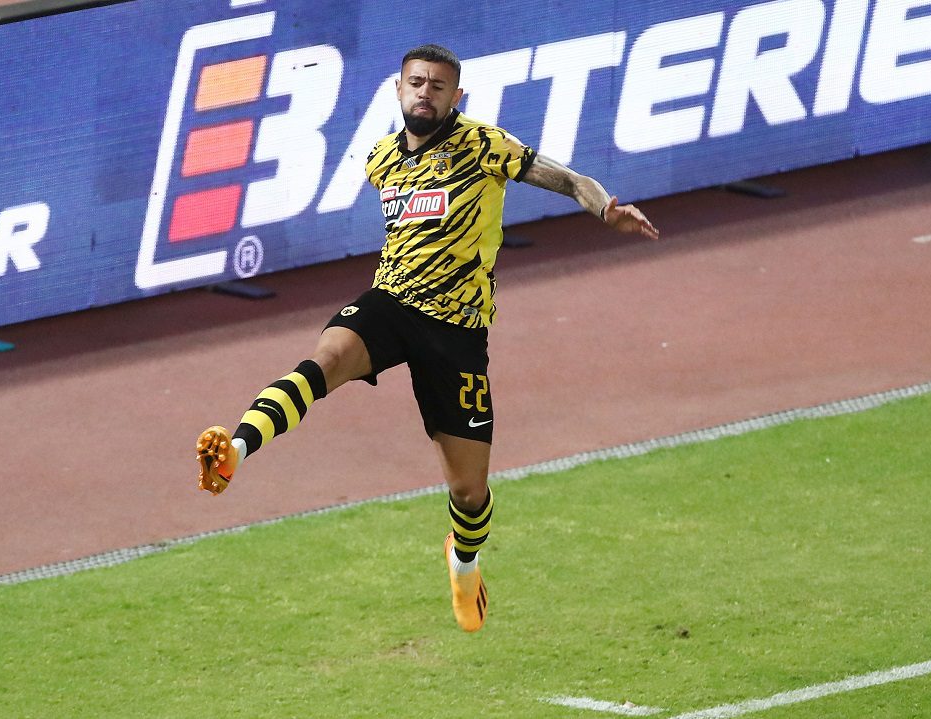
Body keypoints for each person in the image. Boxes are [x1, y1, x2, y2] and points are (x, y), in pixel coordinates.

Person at [195, 44, 659, 633]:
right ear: (399, 88)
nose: (425, 93)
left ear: (455, 96)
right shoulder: (381, 160)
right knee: (325, 359)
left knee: (469, 492)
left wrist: (605, 207)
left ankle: (464, 563)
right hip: (391, 304)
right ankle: (234, 452)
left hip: (457, 332)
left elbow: (568, 180)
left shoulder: (484, 145)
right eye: (416, 83)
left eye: (438, 86)